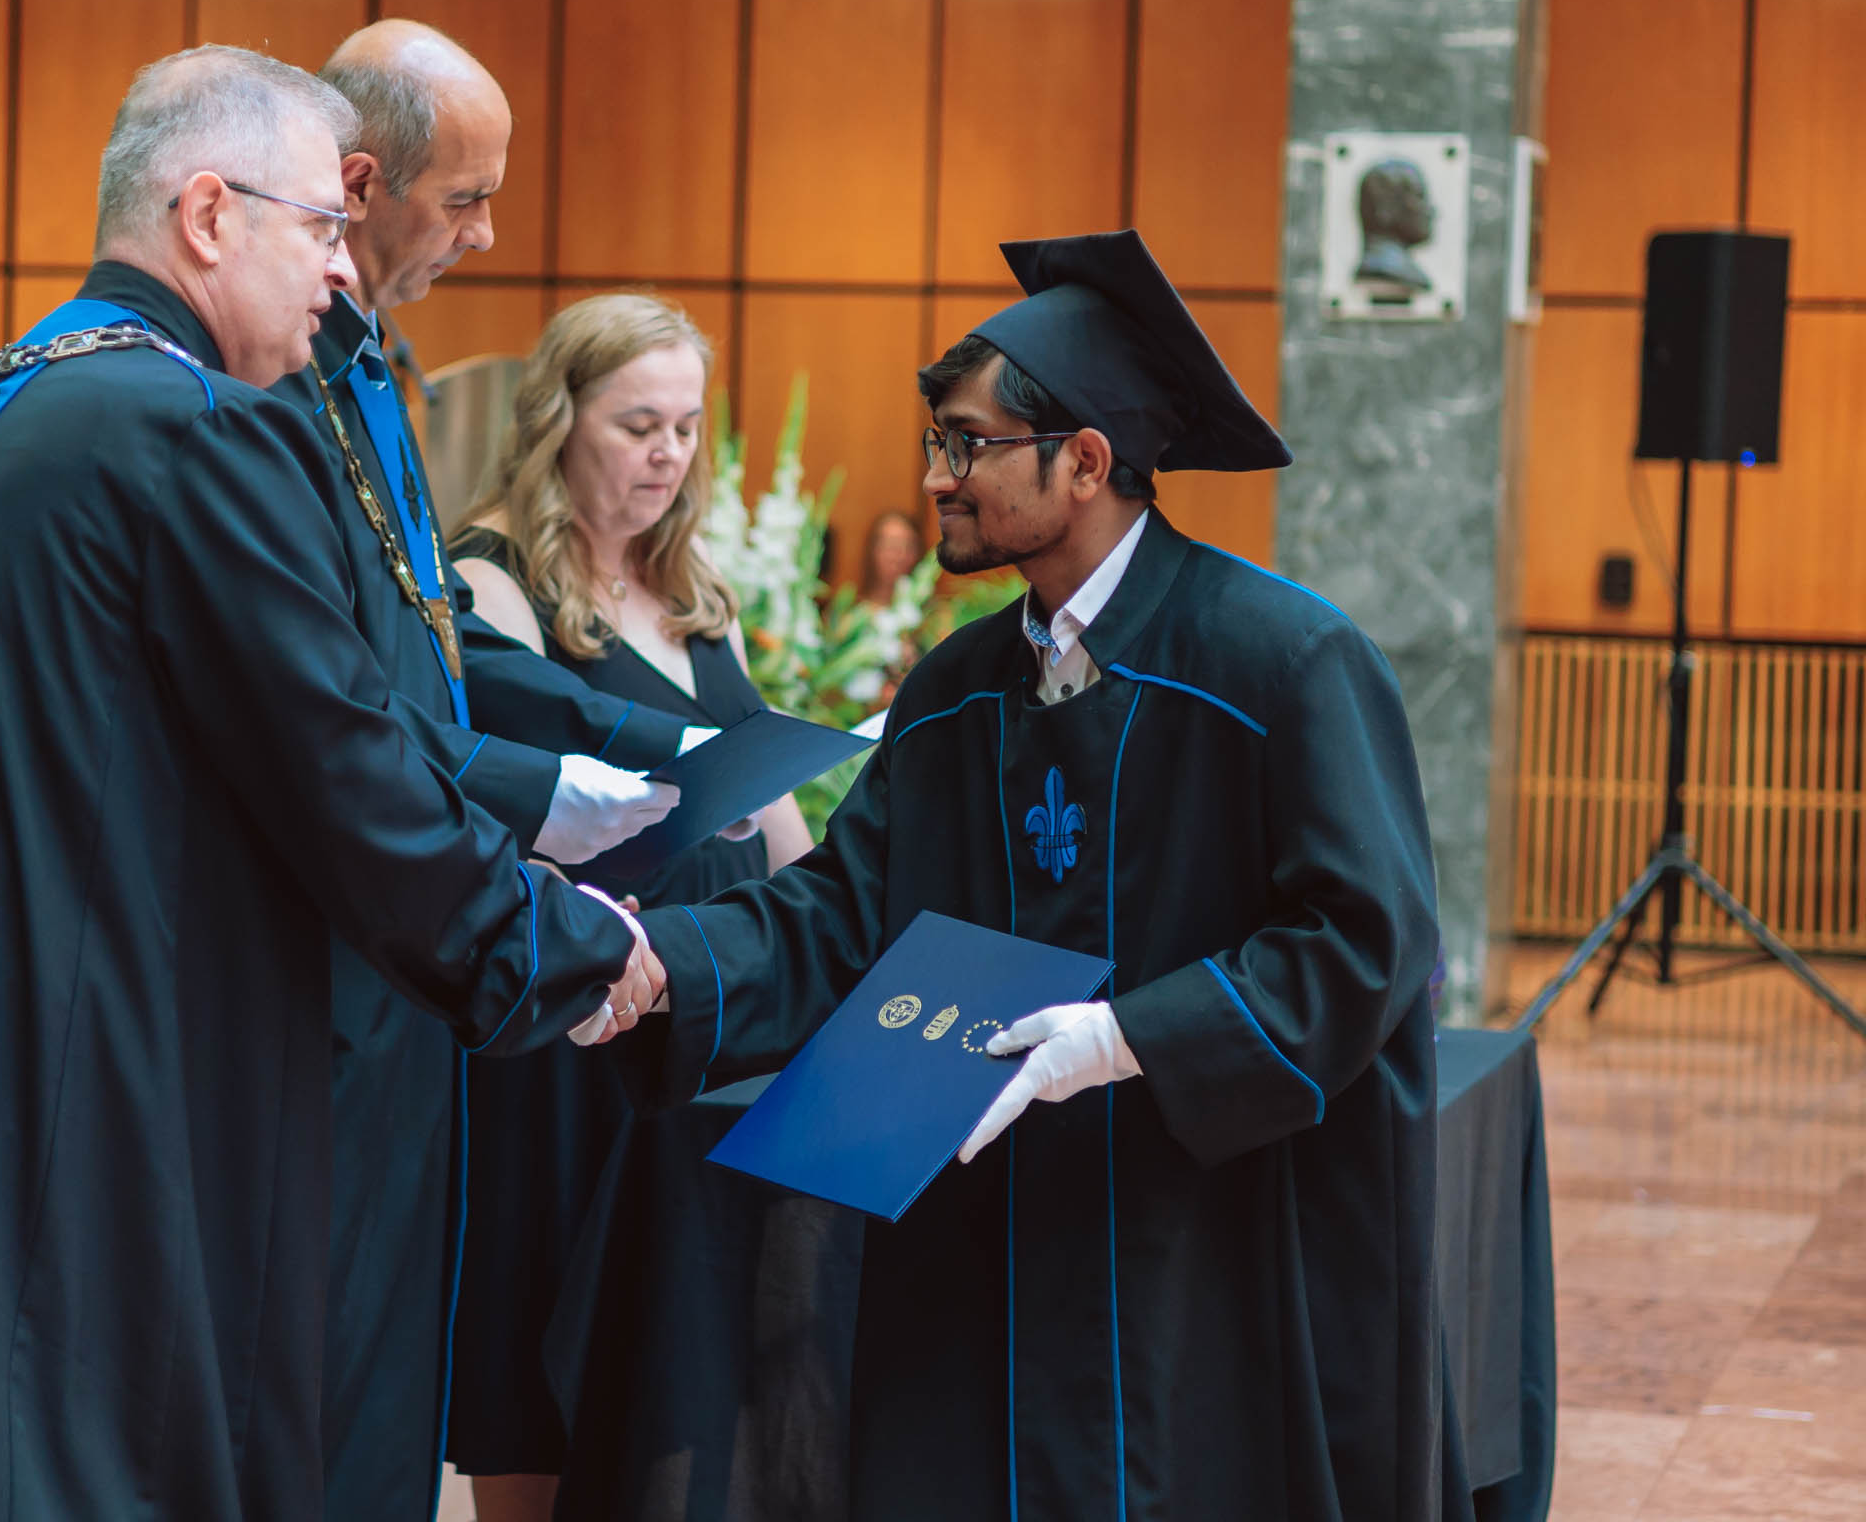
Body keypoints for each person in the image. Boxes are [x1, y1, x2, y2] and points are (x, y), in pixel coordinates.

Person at [0, 47, 666, 1522]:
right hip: (95, 1075)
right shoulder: (193, 429)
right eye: (320, 228)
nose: (339, 272)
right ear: (209, 215)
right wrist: (563, 943)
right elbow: (343, 768)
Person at [618, 230, 1463, 1520]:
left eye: (967, 445)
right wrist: (654, 960)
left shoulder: (1281, 665)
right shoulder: (955, 691)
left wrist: (1125, 1038)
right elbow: (840, 916)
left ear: (1084, 463)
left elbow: (1365, 944)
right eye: (938, 443)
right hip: (985, 1241)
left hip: (1199, 1244)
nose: (934, 478)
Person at [261, 19, 701, 1522]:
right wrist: (540, 793)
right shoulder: (276, 377)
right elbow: (338, 696)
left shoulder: (366, 365)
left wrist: (621, 752)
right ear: (362, 183)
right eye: (466, 200)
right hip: (345, 945)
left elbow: (421, 643)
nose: (488, 235)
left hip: (411, 946)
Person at [446, 293, 829, 1521]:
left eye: (686, 426)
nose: (669, 454)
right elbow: (492, 813)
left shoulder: (692, 587)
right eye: (638, 424)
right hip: (574, 1015)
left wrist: (831, 952)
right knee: (547, 1342)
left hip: (708, 1006)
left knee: (682, 1343)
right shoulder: (489, 581)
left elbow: (775, 810)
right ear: (559, 420)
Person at [857, 508, 926, 607]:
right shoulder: (852, 613)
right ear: (873, 550)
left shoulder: (931, 613)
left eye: (909, 547)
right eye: (892, 546)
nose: (901, 556)